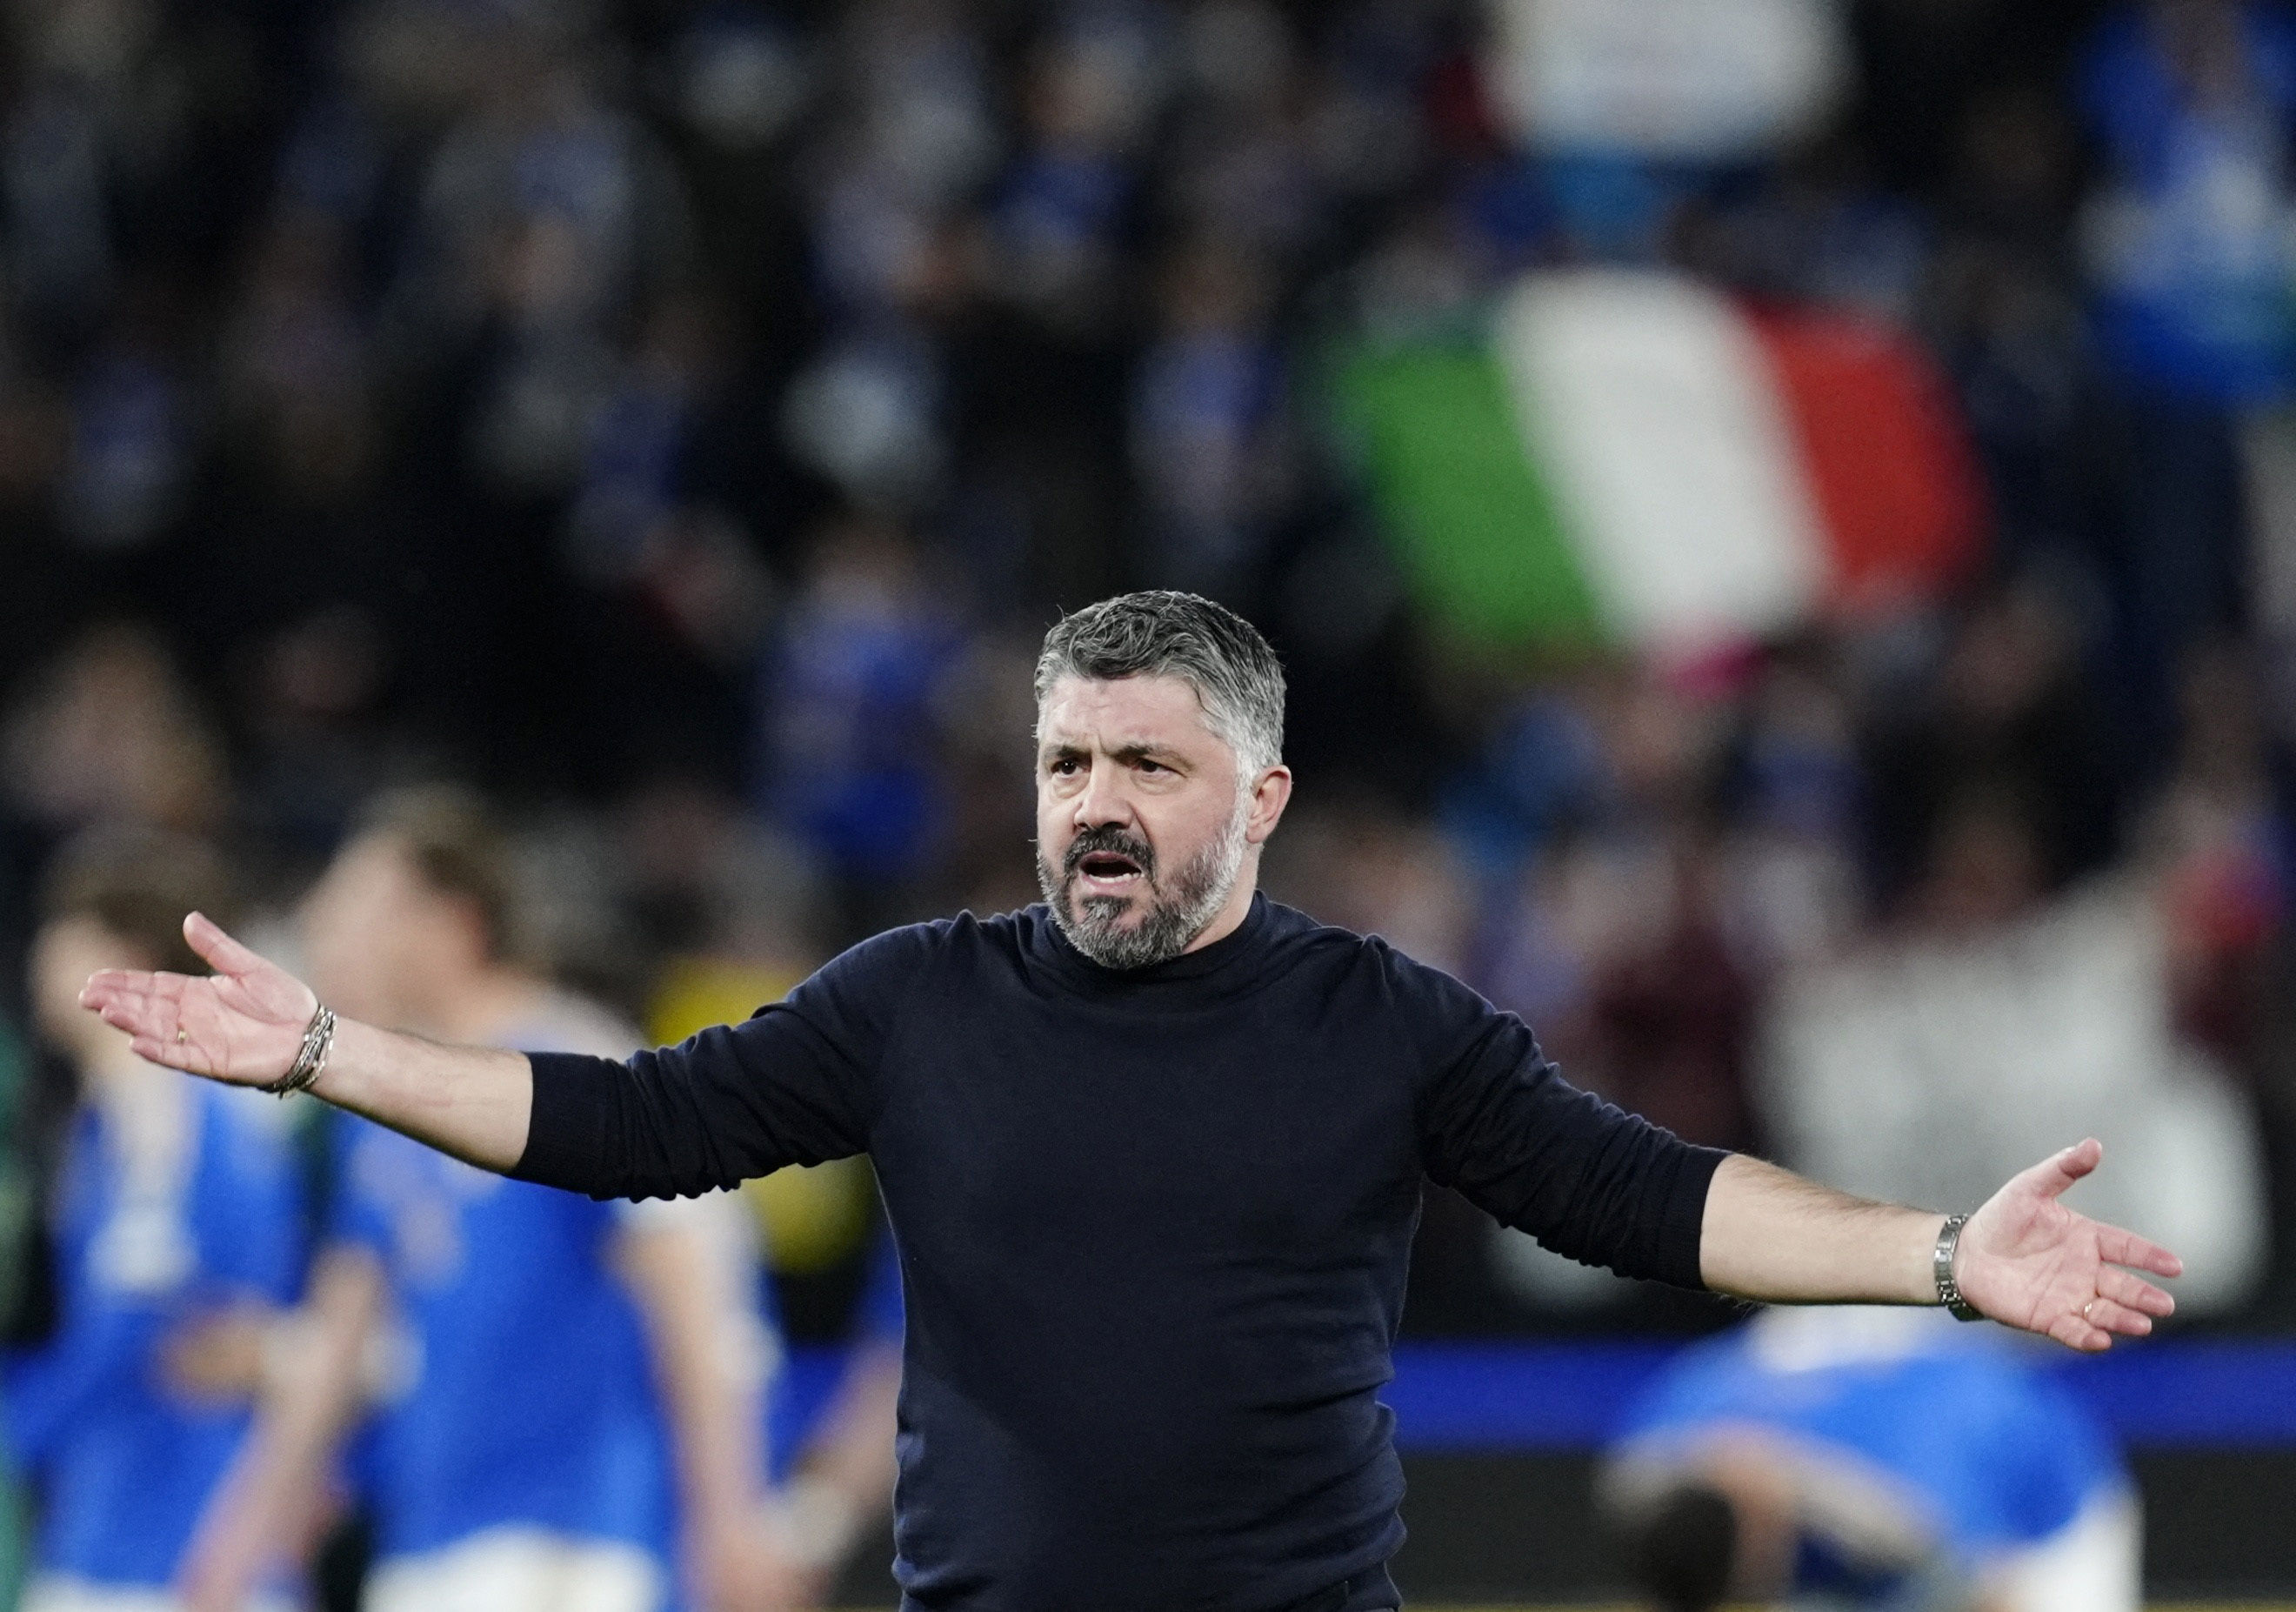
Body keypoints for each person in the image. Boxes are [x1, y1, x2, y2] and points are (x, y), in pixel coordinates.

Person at [82, 592, 2185, 1612]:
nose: (1092, 804)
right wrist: (328, 1053)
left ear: (1257, 794)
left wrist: (1935, 1252)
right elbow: (633, 1121)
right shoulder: (916, 1000)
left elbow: (1646, 1196)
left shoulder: (1384, 1019)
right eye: (1068, 762)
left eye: (1145, 765)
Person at [170, 790, 800, 1612]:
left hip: (564, 1543)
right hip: (430, 1540)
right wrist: (240, 1536)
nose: (324, 931)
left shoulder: (577, 1068)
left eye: (356, 906)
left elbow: (693, 1286)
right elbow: (338, 1339)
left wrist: (731, 1516)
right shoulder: (387, 1111)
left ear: (452, 924)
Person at [11, 827, 304, 1612]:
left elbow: (155, 1323)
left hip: (180, 1540)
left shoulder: (174, 1104)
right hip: (108, 1522)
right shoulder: (102, 1123)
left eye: (62, 932)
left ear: (123, 953)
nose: (40, 954)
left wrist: (20, 1422)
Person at [1601, 1306, 2139, 1611]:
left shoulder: (1908, 1494)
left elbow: (1988, 1595)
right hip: (1859, 1358)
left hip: (2047, 1502)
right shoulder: (1649, 1453)